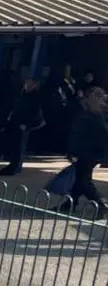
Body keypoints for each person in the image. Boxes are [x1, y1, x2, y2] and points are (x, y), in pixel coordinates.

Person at [57, 86, 108, 215]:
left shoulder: (96, 114)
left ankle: (101, 203)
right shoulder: (87, 110)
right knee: (79, 179)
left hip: (88, 153)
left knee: (84, 182)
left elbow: (101, 136)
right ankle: (70, 203)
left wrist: (101, 154)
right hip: (83, 151)